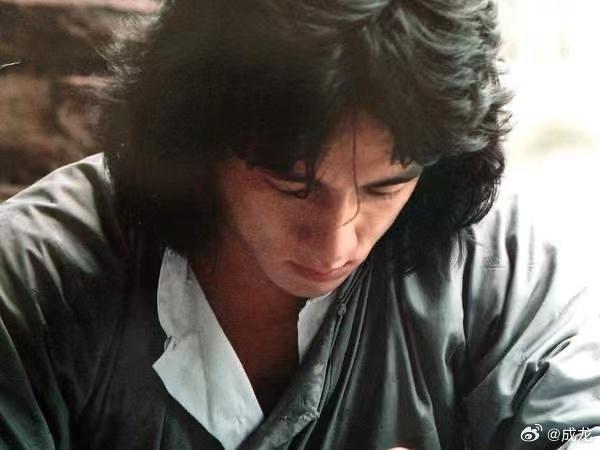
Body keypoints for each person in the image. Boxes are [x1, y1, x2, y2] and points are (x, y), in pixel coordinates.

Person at [1, 0, 599, 449]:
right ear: (194, 139)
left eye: (386, 186)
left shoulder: (495, 264)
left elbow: (572, 428)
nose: (337, 241)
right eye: (293, 186)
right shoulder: (32, 279)